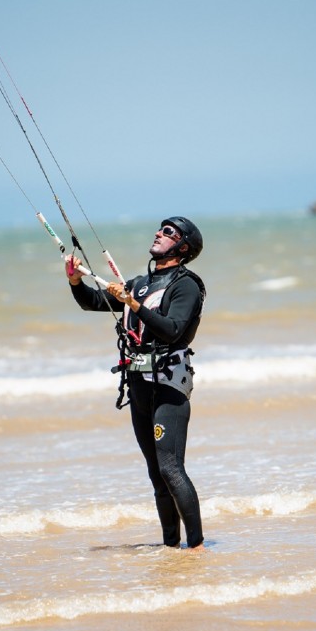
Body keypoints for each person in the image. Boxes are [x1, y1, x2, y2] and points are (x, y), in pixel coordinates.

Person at [65, 216, 206, 550]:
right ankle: (172, 548)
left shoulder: (186, 284)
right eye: (160, 228)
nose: (159, 233)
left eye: (169, 232)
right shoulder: (139, 284)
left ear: (183, 247)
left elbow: (172, 329)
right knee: (156, 474)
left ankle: (197, 547)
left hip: (169, 385)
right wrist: (74, 281)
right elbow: (94, 302)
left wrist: (133, 304)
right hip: (138, 387)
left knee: (171, 468)